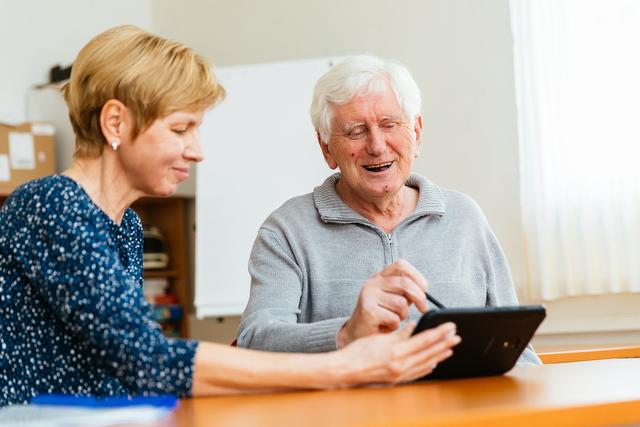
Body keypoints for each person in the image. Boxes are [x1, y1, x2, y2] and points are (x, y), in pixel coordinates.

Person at [0, 27, 461, 406]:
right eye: (181, 129)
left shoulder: (126, 226)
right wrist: (345, 364)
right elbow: (149, 360)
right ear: (116, 123)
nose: (197, 151)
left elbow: (128, 363)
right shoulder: (50, 206)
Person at [236, 55, 540, 365]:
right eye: (355, 131)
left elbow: (517, 349)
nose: (377, 145)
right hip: (346, 413)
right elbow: (254, 342)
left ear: (416, 133)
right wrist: (346, 334)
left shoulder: (465, 217)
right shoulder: (286, 230)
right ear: (327, 148)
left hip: (459, 411)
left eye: (389, 124)